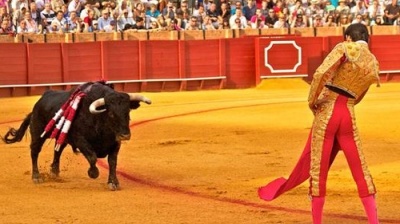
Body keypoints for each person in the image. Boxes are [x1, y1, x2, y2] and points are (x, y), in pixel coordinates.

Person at [258, 23, 380, 224]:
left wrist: (312, 102)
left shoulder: (345, 48)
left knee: (319, 169)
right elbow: (362, 93)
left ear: (349, 37)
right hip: (348, 114)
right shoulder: (374, 62)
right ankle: (374, 221)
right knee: (360, 169)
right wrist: (349, 102)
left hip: (328, 112)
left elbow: (320, 74)